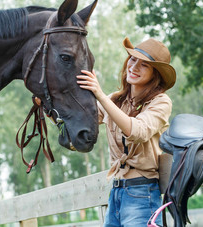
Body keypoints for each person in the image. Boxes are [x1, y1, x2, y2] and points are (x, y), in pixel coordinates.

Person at [77, 37, 176, 226]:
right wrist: (49, 104)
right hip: (116, 192)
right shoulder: (116, 100)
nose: (134, 67)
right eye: (132, 59)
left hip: (142, 192)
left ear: (155, 74)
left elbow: (138, 131)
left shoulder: (161, 102)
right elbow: (84, 119)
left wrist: (99, 94)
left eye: (144, 65)